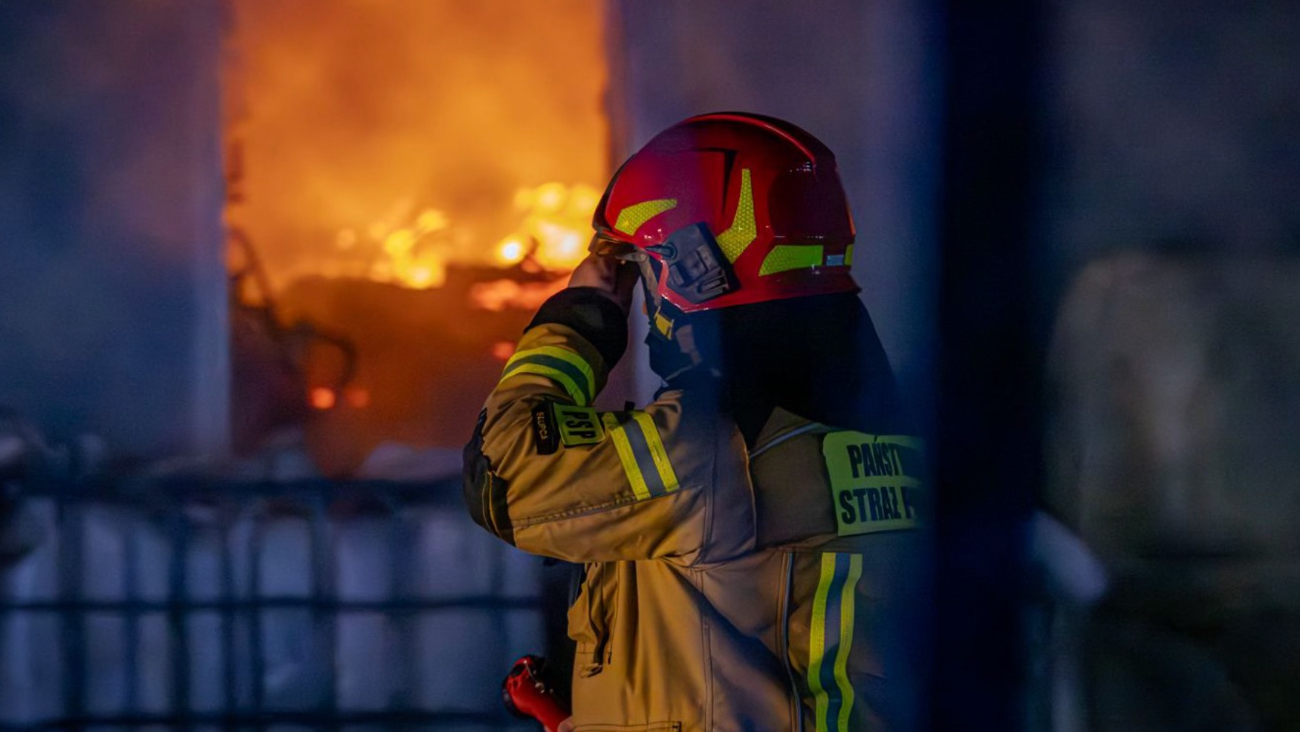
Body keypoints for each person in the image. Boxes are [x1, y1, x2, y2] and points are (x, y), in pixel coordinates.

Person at [464, 112, 925, 731]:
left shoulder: (713, 449)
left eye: (646, 266)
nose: (643, 291)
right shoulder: (888, 430)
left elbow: (506, 475)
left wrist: (581, 316)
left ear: (695, 266)